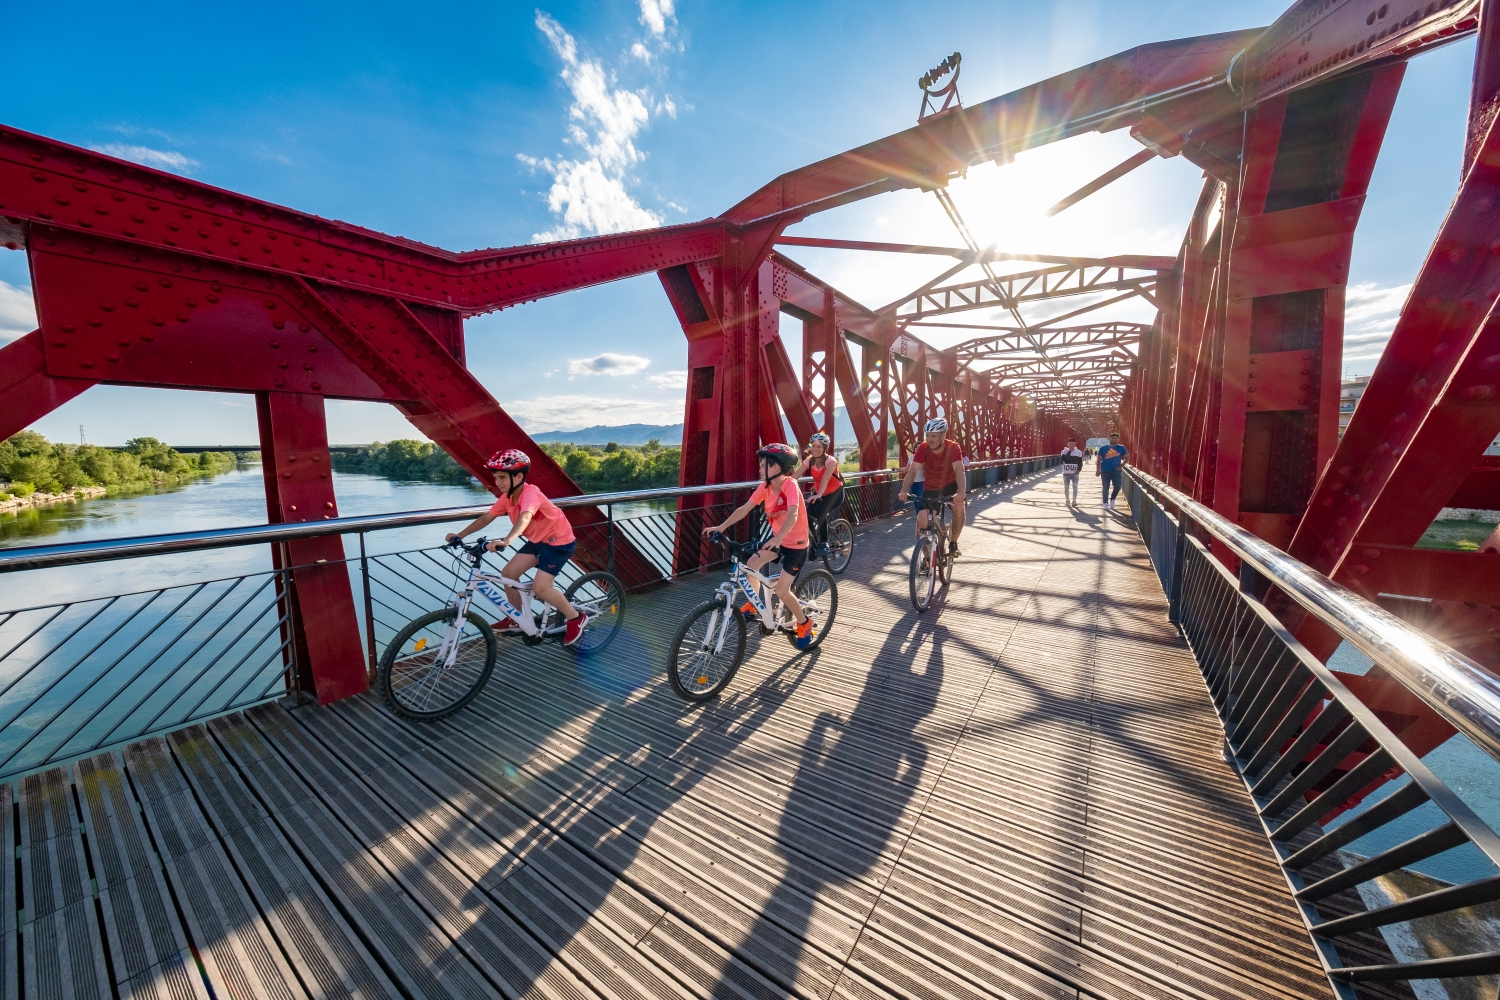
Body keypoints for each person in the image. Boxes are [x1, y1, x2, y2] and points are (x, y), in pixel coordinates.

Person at [445, 449, 587, 646]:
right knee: (509, 573)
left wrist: (507, 540)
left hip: (558, 543)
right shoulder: (507, 497)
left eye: (502, 477)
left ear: (519, 476)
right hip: (538, 541)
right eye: (496, 477)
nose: (498, 482)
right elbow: (487, 517)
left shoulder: (531, 494)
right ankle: (516, 619)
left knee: (541, 588)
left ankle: (576, 618)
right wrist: (460, 535)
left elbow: (525, 517)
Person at [703, 442, 816, 650]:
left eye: (763, 464)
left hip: (796, 545)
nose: (760, 468)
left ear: (776, 467)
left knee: (782, 591)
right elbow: (744, 509)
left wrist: (779, 538)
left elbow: (793, 514)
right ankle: (754, 605)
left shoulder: (790, 485)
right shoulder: (765, 487)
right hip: (777, 540)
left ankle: (804, 622)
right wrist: (721, 527)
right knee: (752, 564)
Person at [897, 417, 967, 557]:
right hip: (931, 488)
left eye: (933, 436)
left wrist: (961, 492)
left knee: (959, 508)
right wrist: (904, 491)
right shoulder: (923, 448)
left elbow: (959, 470)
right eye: (927, 436)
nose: (929, 440)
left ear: (943, 435)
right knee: (921, 520)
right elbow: (913, 471)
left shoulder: (952, 447)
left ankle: (953, 543)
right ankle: (927, 558)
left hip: (951, 486)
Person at [798, 433, 844, 554]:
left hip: (835, 493)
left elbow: (825, 478)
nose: (815, 449)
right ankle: (814, 544)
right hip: (820, 493)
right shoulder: (809, 461)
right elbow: (795, 476)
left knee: (820, 512)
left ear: (825, 448)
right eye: (813, 446)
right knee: (807, 515)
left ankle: (824, 543)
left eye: (819, 446)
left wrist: (819, 494)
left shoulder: (830, 461)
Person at [1096, 432, 1130, 509]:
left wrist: (1121, 465)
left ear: (1117, 439)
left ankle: (1112, 499)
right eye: (1112, 438)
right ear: (1109, 438)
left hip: (1116, 470)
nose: (1113, 439)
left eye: (1115, 438)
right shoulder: (1103, 448)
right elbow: (1098, 459)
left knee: (1118, 486)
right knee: (1105, 487)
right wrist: (1098, 470)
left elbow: (1127, 457)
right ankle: (1105, 503)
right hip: (1105, 470)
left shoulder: (1121, 448)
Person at [1059, 437, 1085, 506]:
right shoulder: (1064, 451)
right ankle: (1067, 501)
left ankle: (1074, 501)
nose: (1071, 445)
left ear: (1075, 444)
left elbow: (1080, 462)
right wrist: (1069, 451)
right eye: (1070, 444)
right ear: (1067, 444)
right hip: (1066, 473)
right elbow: (1065, 460)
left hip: (1075, 472)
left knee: (1075, 486)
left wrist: (1079, 470)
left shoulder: (1079, 452)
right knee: (1066, 487)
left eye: (1073, 444)